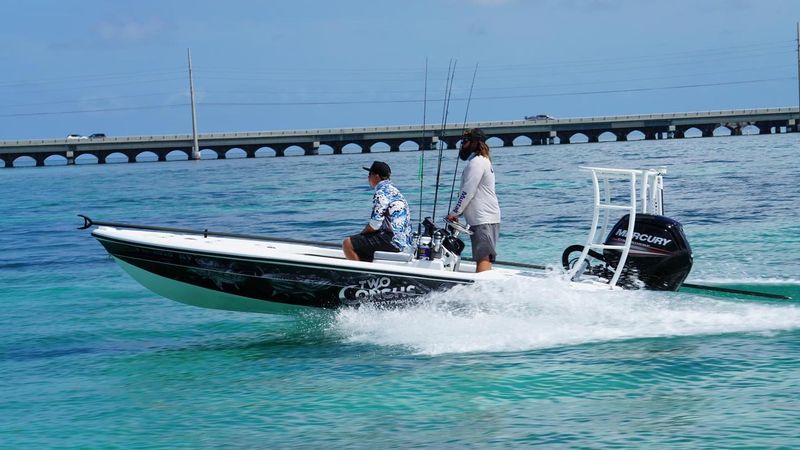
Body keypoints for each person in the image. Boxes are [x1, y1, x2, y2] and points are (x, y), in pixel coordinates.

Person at [446, 128, 501, 272]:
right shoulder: (483, 161)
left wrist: (455, 213)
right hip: (486, 218)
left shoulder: (476, 163)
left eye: (464, 141)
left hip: (483, 219)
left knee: (483, 257)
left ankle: (481, 291)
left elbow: (467, 192)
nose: (462, 145)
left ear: (474, 143)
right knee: (485, 256)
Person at [343, 161, 412, 262]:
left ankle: (361, 275)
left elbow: (375, 224)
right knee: (363, 242)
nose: (368, 178)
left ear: (376, 176)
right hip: (404, 241)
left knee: (348, 243)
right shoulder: (396, 192)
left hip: (392, 241)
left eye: (369, 174)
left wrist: (362, 234)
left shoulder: (381, 193)